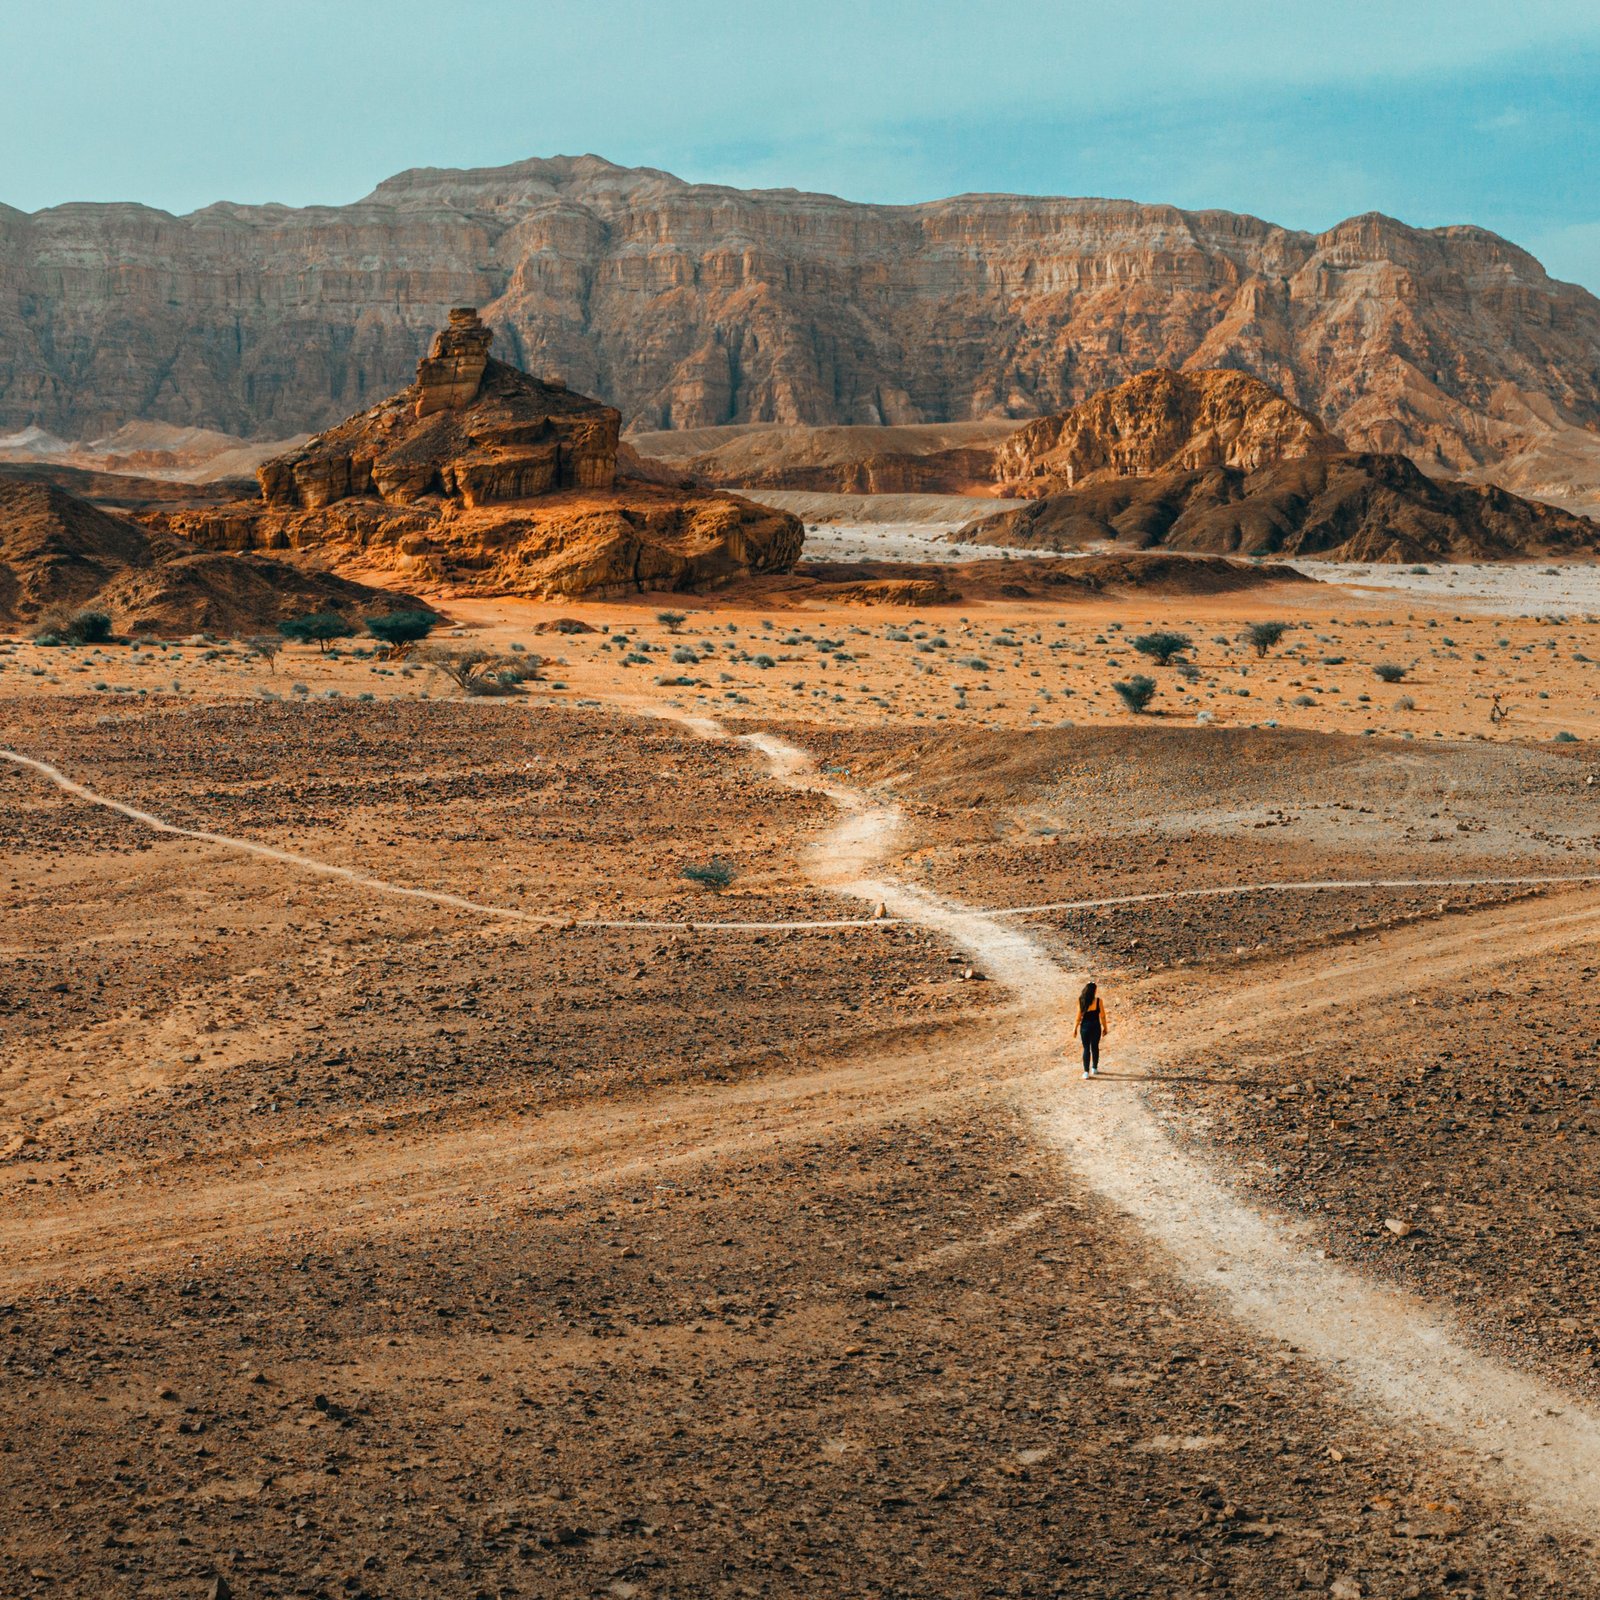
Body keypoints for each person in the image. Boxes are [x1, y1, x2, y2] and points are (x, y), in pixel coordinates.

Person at [1074, 981, 1107, 1079]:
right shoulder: (1098, 1001)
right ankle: (1094, 1068)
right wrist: (1105, 1027)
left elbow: (1078, 1017)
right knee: (1095, 1047)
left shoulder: (1081, 1000)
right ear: (1094, 991)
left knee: (1086, 1048)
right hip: (1096, 1026)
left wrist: (1075, 1028)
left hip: (1085, 1027)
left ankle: (1086, 1072)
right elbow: (1103, 1016)